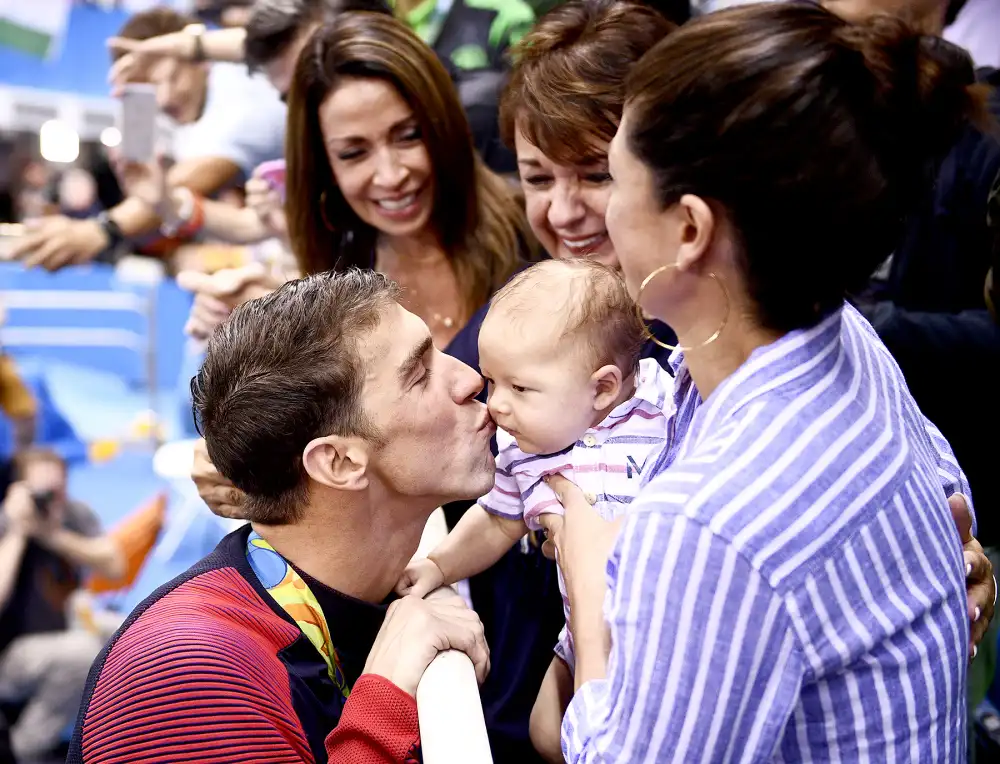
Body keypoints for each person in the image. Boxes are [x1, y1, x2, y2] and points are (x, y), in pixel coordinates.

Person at [541, 4, 988, 761]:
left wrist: (587, 576)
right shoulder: (842, 335)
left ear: (690, 229)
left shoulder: (710, 523)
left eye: (610, 178)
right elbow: (951, 516)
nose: (590, 213)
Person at [68, 270, 494, 763]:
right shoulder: (186, 675)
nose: (469, 378)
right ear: (339, 462)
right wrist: (385, 701)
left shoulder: (333, 600)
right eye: (420, 375)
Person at [398, 258, 673, 762]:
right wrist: (438, 564)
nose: (496, 405)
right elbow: (496, 521)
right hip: (580, 630)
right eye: (492, 382)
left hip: (663, 626)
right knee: (545, 730)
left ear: (603, 387)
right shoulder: (525, 453)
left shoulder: (665, 405)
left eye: (520, 388)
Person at [10, 7, 286, 271]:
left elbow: (185, 182)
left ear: (201, 62)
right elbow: (156, 199)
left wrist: (101, 230)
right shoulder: (193, 110)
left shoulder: (241, 101)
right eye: (150, 90)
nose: (164, 99)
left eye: (172, 78)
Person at [0, 449, 123, 763]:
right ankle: (24, 749)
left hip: (63, 627)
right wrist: (18, 532)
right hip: (9, 651)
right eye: (41, 493)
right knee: (81, 653)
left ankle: (115, 735)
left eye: (58, 491)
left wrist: (51, 534)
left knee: (132, 630)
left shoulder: (72, 514)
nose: (50, 501)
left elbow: (115, 567)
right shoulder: (6, 523)